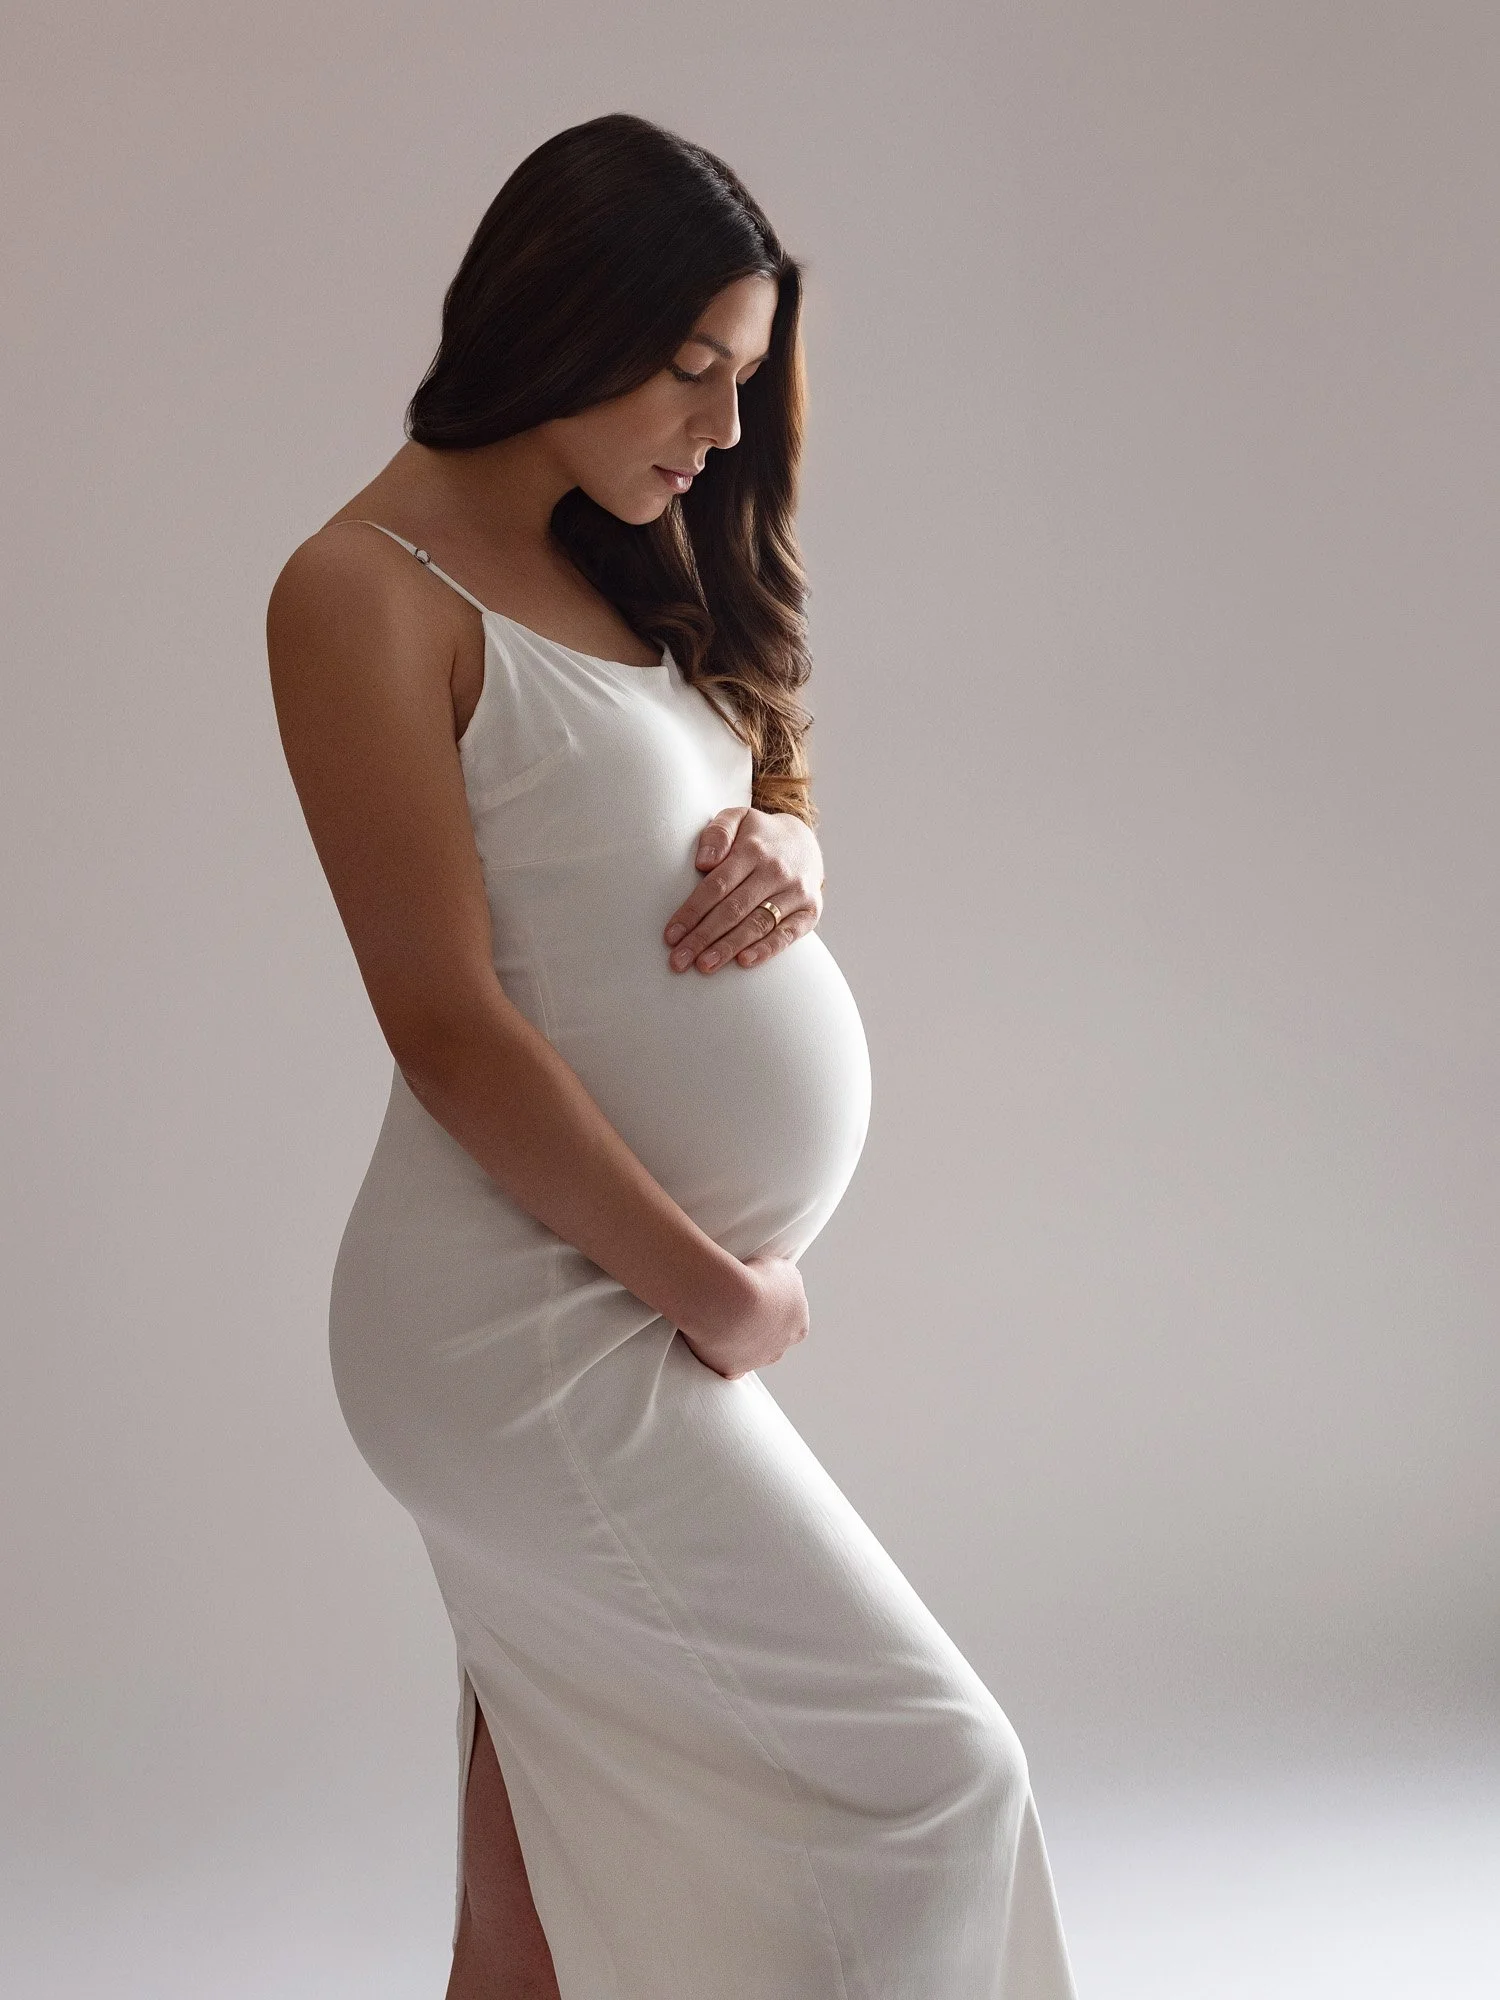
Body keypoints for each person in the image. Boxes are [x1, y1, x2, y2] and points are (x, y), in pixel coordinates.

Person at [267, 111, 1077, 2000]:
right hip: (528, 1324)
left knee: (531, 1896)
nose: (720, 429)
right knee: (934, 1776)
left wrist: (792, 839)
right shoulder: (361, 593)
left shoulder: (624, 558)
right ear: (559, 316)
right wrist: (719, 1290)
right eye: (693, 367)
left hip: (604, 1307)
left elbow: (752, 768)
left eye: (749, 375)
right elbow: (447, 1026)